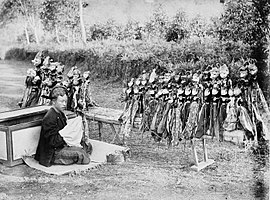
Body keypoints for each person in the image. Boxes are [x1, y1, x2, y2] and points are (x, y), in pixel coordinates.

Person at [34, 85, 90, 167]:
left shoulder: (60, 113)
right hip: (52, 153)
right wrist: (66, 134)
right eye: (61, 101)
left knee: (87, 146)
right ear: (53, 102)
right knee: (81, 154)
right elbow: (52, 142)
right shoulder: (49, 117)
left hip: (60, 146)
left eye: (65, 101)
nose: (64, 104)